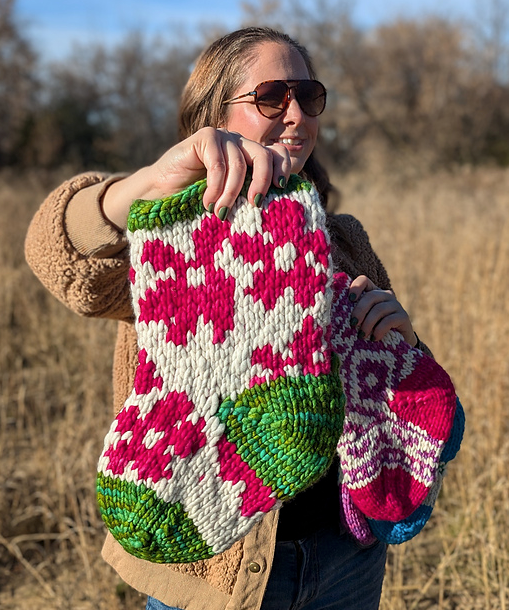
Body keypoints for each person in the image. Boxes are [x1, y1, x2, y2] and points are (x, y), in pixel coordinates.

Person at [26, 26, 433, 610]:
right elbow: (56, 252)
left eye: (309, 96)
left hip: (345, 559)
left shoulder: (342, 241)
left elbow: (393, 405)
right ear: (214, 116)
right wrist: (147, 185)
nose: (295, 114)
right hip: (213, 577)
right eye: (272, 96)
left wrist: (404, 341)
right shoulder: (168, 237)